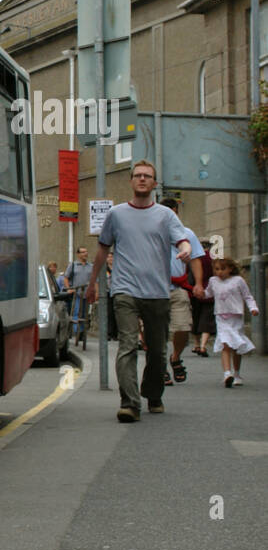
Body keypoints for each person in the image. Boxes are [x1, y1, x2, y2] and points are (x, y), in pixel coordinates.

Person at [85, 160, 191, 422]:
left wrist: (185, 248)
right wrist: (93, 284)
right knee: (128, 345)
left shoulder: (166, 215)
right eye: (138, 175)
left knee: (156, 350)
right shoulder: (117, 214)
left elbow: (182, 239)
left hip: (157, 292)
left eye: (148, 176)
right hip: (125, 290)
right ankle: (130, 403)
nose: (142, 179)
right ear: (131, 181)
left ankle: (153, 394)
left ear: (154, 183)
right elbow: (102, 250)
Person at [160, 198, 204, 385]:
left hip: (177, 288)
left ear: (176, 212)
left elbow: (195, 259)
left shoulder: (187, 233)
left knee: (183, 328)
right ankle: (160, 367)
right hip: (154, 290)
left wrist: (199, 284)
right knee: (155, 333)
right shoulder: (153, 232)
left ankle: (175, 357)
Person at [206, 257, 259, 387]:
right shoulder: (213, 281)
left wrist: (253, 308)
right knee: (225, 344)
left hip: (235, 317)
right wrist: (200, 293)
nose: (219, 272)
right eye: (217, 269)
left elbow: (247, 296)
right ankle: (227, 373)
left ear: (230, 269)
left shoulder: (238, 281)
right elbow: (208, 293)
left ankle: (236, 373)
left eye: (223, 269)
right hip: (221, 316)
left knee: (235, 346)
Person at [190, 241, 216, 356]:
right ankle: (203, 346)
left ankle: (196, 344)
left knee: (195, 317)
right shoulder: (212, 258)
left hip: (194, 290)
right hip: (209, 291)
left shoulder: (193, 258)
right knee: (207, 318)